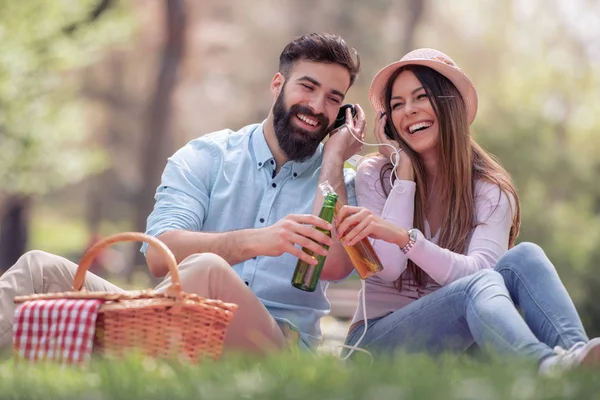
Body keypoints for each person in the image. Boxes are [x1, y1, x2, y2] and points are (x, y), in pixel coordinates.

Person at [0, 33, 364, 355]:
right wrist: (258, 240)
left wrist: (333, 159)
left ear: (343, 112)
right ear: (277, 84)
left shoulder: (338, 182)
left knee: (207, 268)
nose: (317, 107)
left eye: (333, 98)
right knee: (38, 268)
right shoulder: (206, 156)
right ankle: (121, 344)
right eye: (307, 87)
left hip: (276, 344)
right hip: (180, 316)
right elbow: (160, 255)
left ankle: (112, 348)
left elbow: (332, 265)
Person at [336, 48, 600, 373]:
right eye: (397, 104)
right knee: (476, 285)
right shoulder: (376, 174)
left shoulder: (490, 189)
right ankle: (546, 368)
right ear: (388, 121)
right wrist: (404, 179)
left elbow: (479, 273)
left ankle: (579, 365)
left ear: (451, 104)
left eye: (421, 97)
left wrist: (405, 237)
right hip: (375, 344)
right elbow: (388, 268)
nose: (410, 111)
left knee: (525, 257)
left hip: (456, 343)